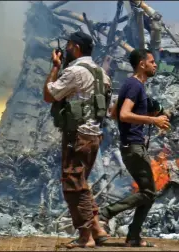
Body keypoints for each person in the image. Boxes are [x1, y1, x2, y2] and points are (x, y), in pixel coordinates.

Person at [43, 31, 111, 249]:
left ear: (77, 48)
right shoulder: (102, 73)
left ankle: (85, 236)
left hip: (78, 135)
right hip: (94, 135)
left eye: (69, 46)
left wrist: (55, 66)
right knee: (81, 183)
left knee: (72, 185)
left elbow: (49, 95)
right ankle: (98, 229)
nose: (67, 49)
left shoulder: (74, 72)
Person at [99, 49, 170, 247]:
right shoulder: (135, 86)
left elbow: (112, 113)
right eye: (152, 62)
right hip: (134, 146)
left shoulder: (129, 85)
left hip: (130, 145)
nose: (155, 65)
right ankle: (107, 213)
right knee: (149, 193)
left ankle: (133, 237)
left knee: (148, 192)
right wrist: (153, 120)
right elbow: (123, 114)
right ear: (141, 64)